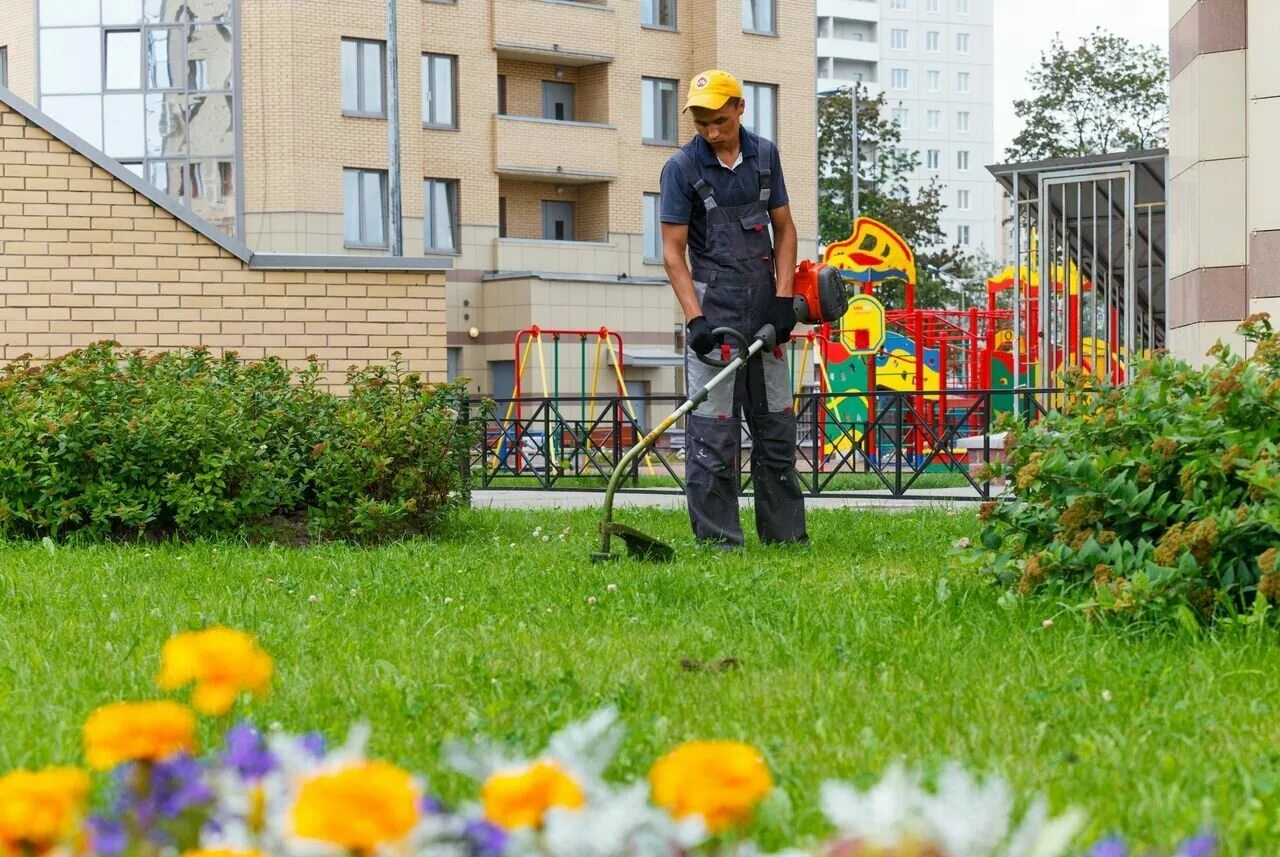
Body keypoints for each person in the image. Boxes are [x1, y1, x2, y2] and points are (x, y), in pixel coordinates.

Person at [658, 69, 807, 549]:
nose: (711, 131)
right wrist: (695, 319)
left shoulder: (765, 155)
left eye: (719, 120)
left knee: (777, 430)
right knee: (713, 437)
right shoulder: (680, 168)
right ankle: (720, 544)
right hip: (714, 317)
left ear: (740, 108)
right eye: (701, 123)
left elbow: (784, 230)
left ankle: (785, 539)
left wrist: (784, 301)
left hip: (765, 313)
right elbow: (671, 251)